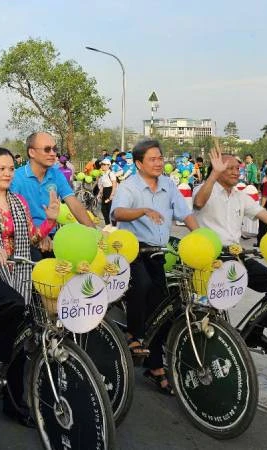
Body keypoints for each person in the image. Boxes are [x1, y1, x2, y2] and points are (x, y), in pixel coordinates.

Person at [0, 147, 59, 426]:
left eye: (10, 169)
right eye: (1, 168)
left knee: (24, 335)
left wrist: (51, 219)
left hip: (17, 269)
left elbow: (31, 236)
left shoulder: (18, 201)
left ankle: (15, 405)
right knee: (15, 304)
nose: (7, 173)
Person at [111, 138, 198, 395]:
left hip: (157, 253)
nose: (159, 163)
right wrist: (142, 211)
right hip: (133, 250)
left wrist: (202, 237)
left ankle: (155, 365)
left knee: (162, 308)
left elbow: (186, 214)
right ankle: (133, 335)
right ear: (139, 163)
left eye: (160, 158)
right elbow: (117, 213)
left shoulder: (168, 185)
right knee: (143, 285)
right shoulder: (130, 186)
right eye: (152, 159)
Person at [192, 147, 267, 351]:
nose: (235, 171)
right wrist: (213, 175)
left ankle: (254, 330)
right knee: (212, 306)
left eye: (237, 168)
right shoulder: (205, 189)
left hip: (236, 255)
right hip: (211, 257)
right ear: (217, 169)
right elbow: (198, 204)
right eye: (229, 167)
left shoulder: (240, 196)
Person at [10, 131, 94, 258]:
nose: (53, 153)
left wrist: (94, 232)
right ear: (31, 152)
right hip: (23, 238)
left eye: (55, 149)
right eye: (47, 149)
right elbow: (12, 216)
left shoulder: (56, 174)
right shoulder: (16, 178)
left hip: (51, 236)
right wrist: (39, 235)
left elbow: (74, 203)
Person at [96, 159, 118, 224]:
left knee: (110, 209)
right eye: (102, 165)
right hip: (105, 191)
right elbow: (103, 185)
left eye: (103, 165)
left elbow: (114, 185)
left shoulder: (111, 174)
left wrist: (112, 195)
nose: (102, 166)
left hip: (110, 191)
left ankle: (114, 225)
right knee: (103, 210)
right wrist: (100, 194)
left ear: (108, 165)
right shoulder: (103, 174)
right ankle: (107, 224)